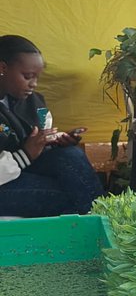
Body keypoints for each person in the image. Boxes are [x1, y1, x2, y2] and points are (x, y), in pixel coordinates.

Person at [0, 35, 102, 218]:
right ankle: (101, 223)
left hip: (22, 169)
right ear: (2, 68)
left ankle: (104, 215)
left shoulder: (29, 101)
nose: (34, 84)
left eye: (37, 77)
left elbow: (33, 136)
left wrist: (52, 141)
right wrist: (25, 154)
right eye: (28, 76)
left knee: (71, 155)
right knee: (65, 195)